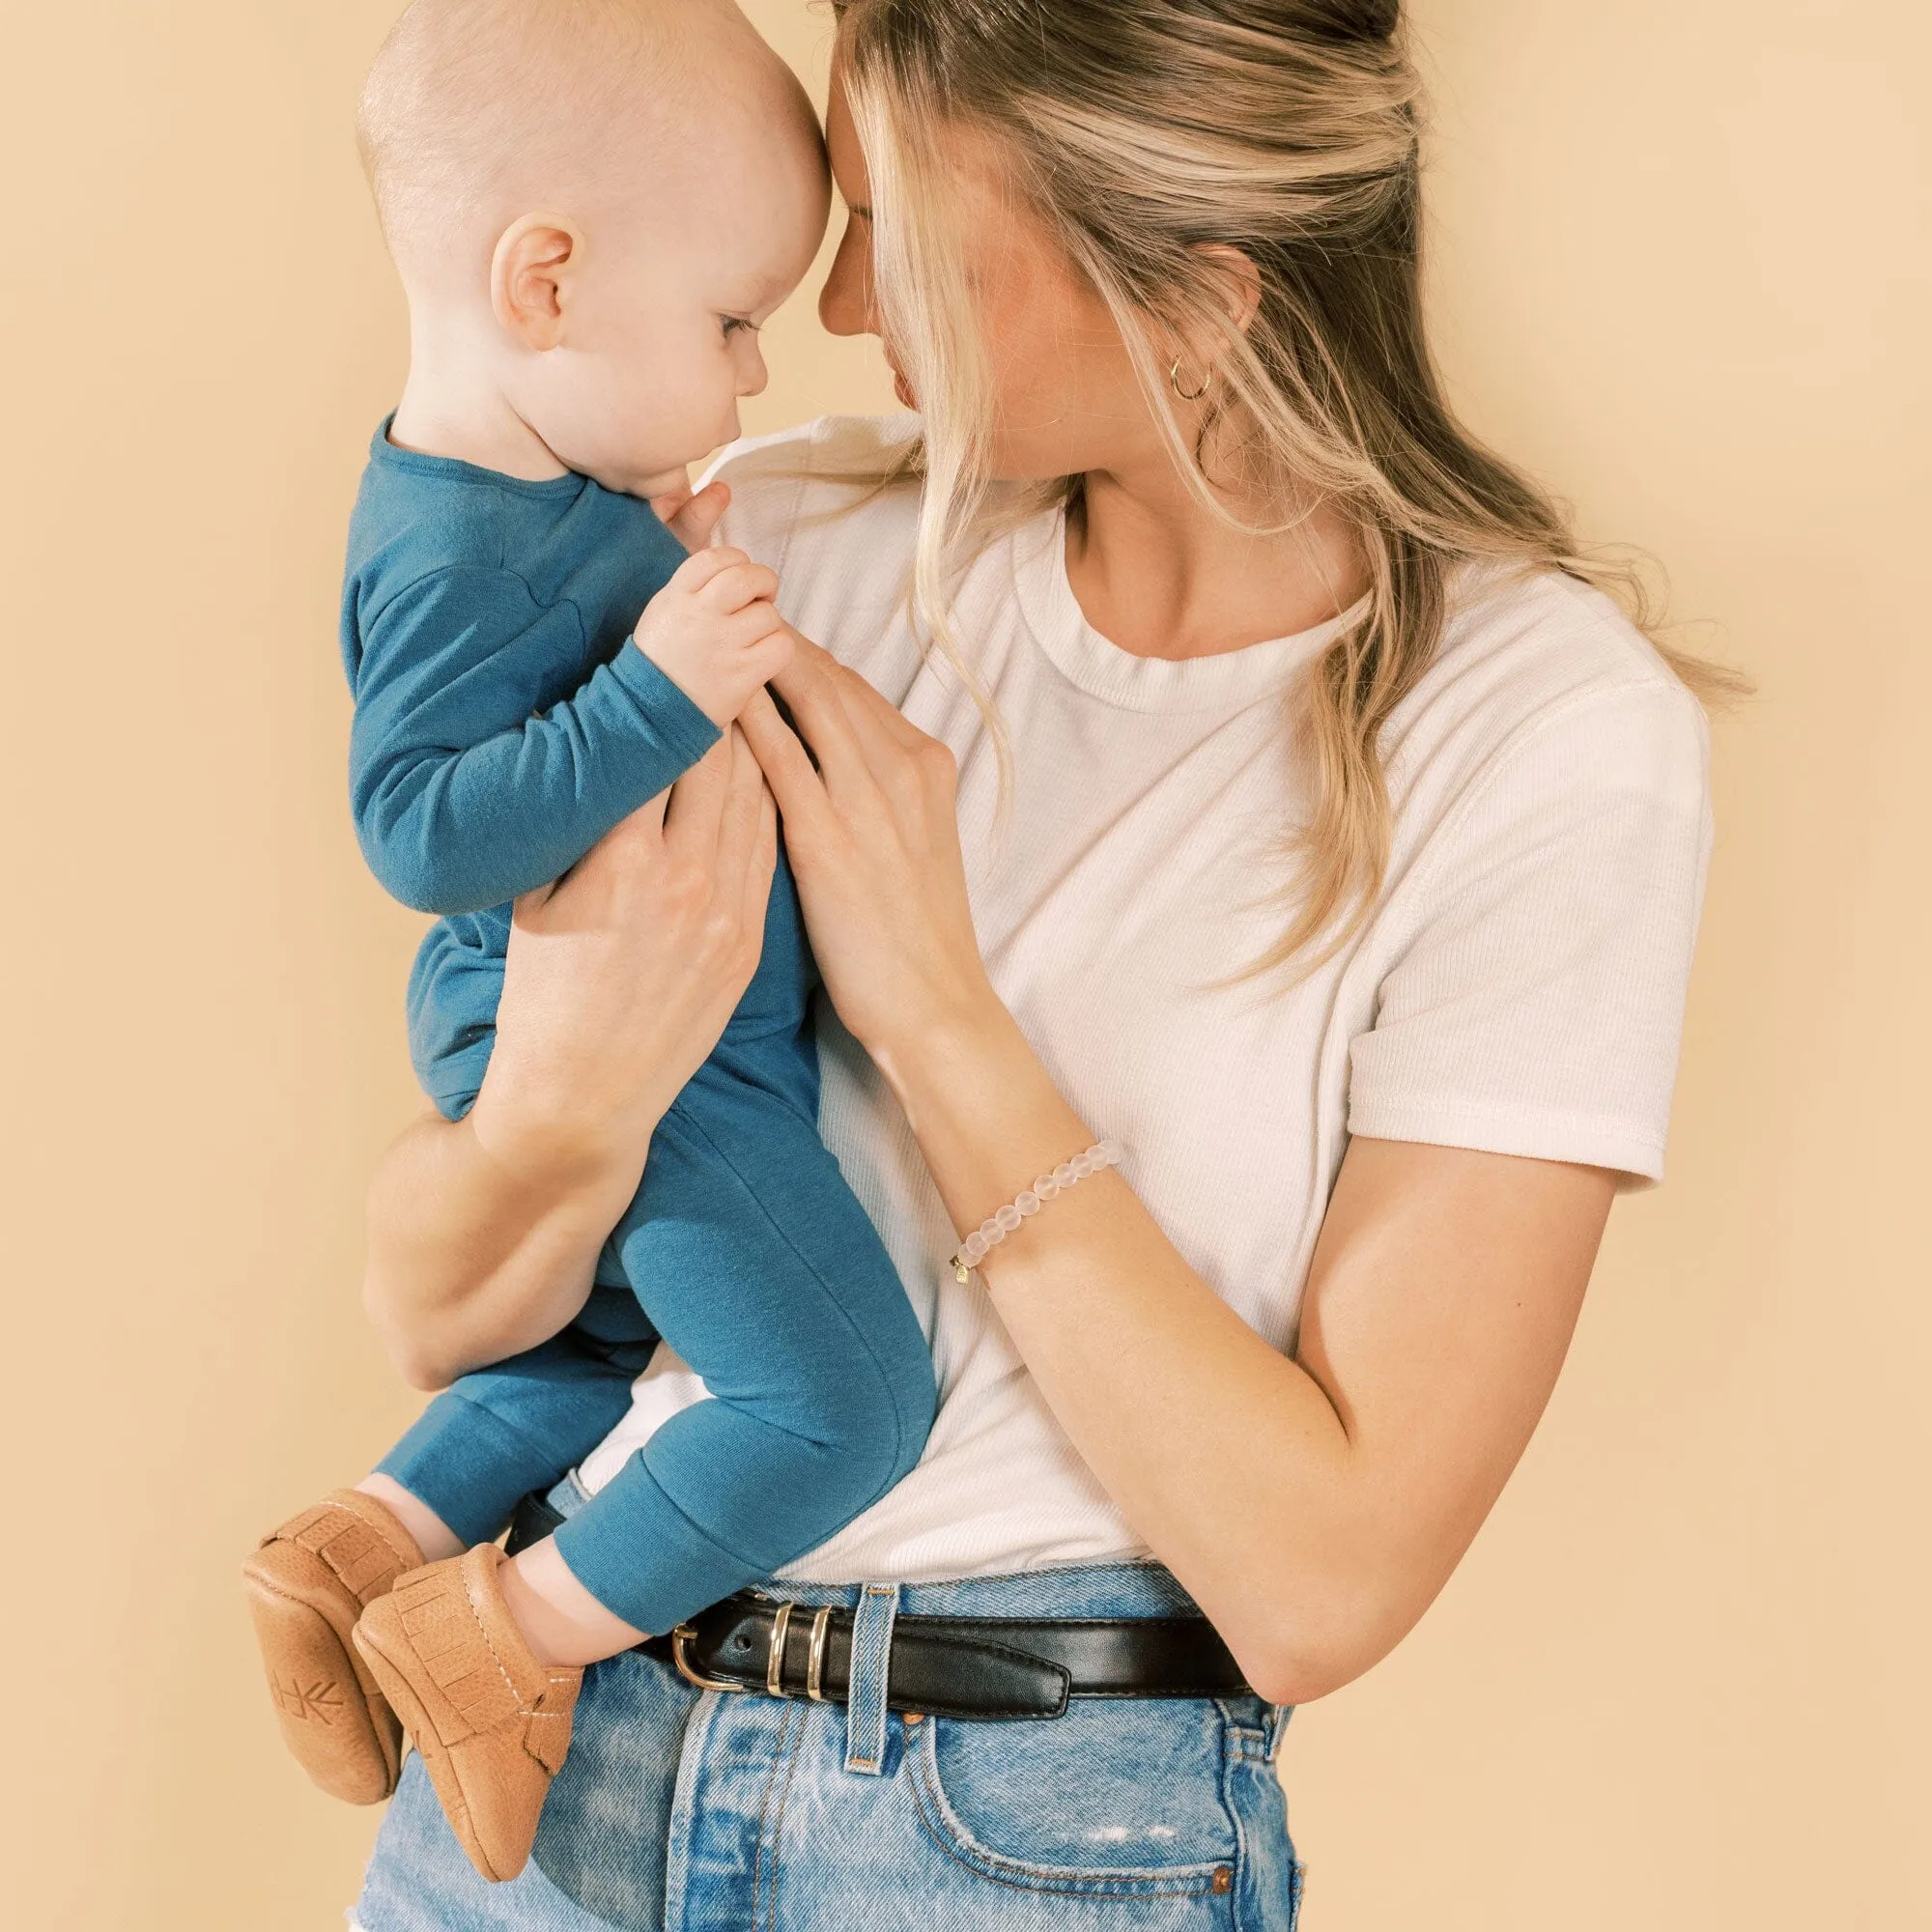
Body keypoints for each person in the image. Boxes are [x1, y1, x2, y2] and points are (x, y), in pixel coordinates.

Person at [351, 1, 1719, 1925]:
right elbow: (435, 1304)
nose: (833, 306)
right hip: (534, 1774)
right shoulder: (784, 557)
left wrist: (931, 1008)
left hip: (1011, 1842)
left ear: (1193, 301)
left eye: (899, 237)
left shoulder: (1534, 734)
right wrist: (567, 1105)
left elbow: (1320, 1582)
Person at [242, 0, 937, 1884]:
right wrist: (656, 681)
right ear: (545, 279)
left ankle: (370, 1541)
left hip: (643, 1029)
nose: (763, 358)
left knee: (602, 1345)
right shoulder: (446, 550)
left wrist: (654, 539)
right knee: (842, 1396)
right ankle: (504, 1641)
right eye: (730, 320)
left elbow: (564, 623)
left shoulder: (526, 494)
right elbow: (422, 824)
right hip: (652, 1037)